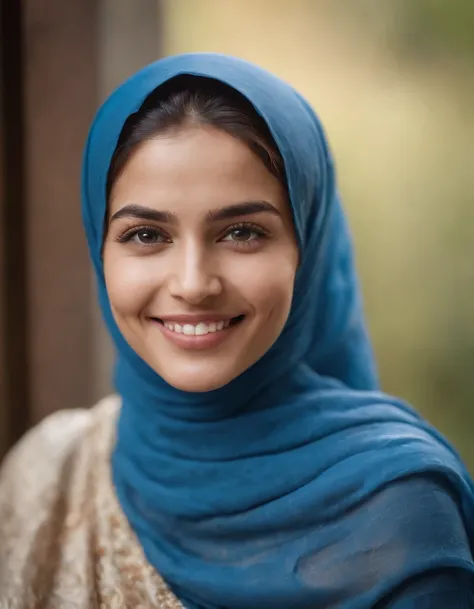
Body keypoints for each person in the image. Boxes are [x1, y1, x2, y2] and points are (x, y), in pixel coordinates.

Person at [0, 53, 473, 609]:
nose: (194, 283)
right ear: (98, 248)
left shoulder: (395, 509)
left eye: (243, 232)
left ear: (307, 248)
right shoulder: (46, 475)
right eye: (147, 235)